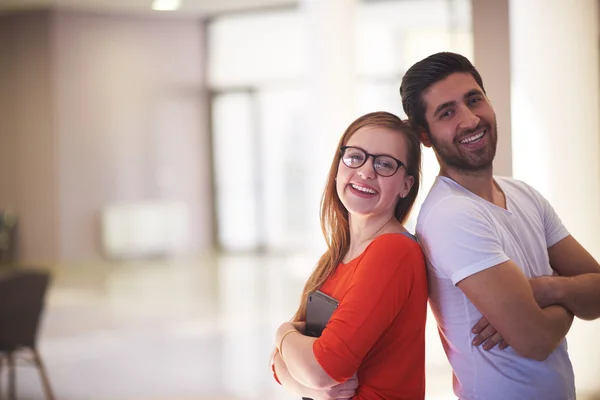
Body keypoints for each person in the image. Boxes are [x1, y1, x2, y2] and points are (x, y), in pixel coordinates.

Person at [399, 52, 600, 400]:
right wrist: (568, 293)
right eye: (447, 113)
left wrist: (543, 290)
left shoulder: (524, 194)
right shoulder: (451, 214)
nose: (470, 119)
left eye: (474, 100)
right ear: (424, 135)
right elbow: (534, 340)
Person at [270, 111, 428, 399]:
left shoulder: (394, 252)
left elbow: (321, 369)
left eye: (384, 164)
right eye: (356, 157)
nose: (366, 172)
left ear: (406, 185)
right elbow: (280, 364)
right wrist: (313, 390)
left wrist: (283, 333)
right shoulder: (334, 258)